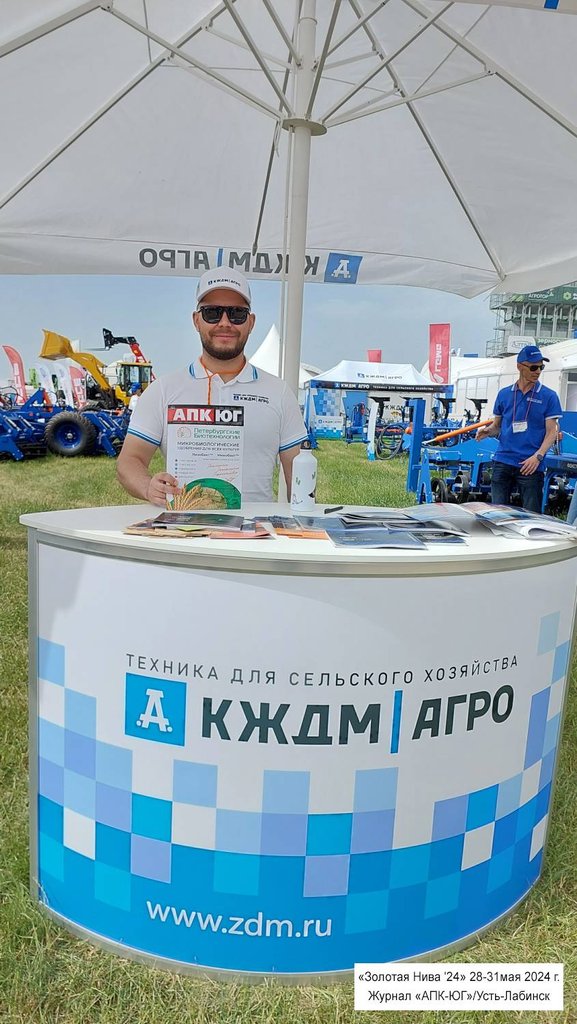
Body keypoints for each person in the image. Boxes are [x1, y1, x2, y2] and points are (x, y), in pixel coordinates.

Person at [117, 267, 308, 505]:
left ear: (251, 322)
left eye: (237, 314)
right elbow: (129, 461)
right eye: (212, 313)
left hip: (255, 528)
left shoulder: (278, 393)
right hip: (184, 525)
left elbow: (299, 472)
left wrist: (303, 519)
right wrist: (148, 487)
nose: (225, 323)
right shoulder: (163, 390)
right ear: (196, 320)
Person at [476, 344, 562, 512]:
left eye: (541, 367)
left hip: (531, 464)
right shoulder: (504, 394)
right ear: (520, 366)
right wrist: (488, 431)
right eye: (533, 367)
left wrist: (538, 457)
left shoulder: (549, 396)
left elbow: (552, 431)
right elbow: (497, 426)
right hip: (503, 460)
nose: (538, 371)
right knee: (498, 513)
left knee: (532, 514)